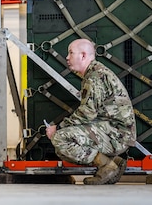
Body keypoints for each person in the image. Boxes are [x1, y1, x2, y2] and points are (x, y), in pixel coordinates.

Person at [46, 38, 136, 185]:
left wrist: (59, 127)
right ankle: (114, 162)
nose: (67, 57)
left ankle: (107, 166)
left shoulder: (95, 77)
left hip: (116, 135)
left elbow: (87, 113)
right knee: (62, 144)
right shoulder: (95, 72)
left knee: (60, 139)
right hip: (114, 131)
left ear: (83, 55)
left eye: (70, 53)